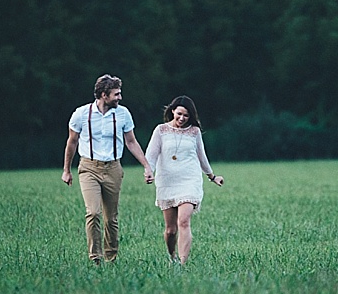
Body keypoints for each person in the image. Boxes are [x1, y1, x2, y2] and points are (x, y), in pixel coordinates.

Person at [63, 74, 154, 264]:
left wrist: (146, 166)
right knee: (93, 212)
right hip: (88, 167)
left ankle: (111, 257)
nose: (120, 97)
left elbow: (131, 141)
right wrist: (67, 170)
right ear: (104, 95)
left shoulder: (123, 114)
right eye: (116, 94)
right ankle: (95, 257)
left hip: (113, 168)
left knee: (110, 218)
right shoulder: (81, 114)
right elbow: (72, 142)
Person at [144, 95, 223, 265]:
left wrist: (212, 176)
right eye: (179, 114)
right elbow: (151, 154)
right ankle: (171, 256)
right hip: (167, 181)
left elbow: (202, 156)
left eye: (186, 116)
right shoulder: (161, 130)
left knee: (184, 221)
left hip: (189, 180)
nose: (182, 118)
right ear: (172, 111)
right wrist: (149, 171)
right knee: (171, 230)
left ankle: (183, 263)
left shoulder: (194, 132)